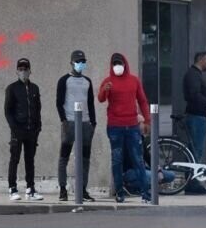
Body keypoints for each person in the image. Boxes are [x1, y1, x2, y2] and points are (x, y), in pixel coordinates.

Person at [98, 53, 151, 203]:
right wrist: (105, 90)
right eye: (114, 64)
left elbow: (142, 100)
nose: (117, 67)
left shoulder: (134, 80)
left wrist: (147, 120)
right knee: (117, 160)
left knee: (138, 159)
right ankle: (119, 192)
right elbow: (101, 99)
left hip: (132, 126)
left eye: (119, 63)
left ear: (125, 64)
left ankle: (145, 193)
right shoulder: (108, 81)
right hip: (115, 126)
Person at [56, 50, 97, 202]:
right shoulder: (64, 80)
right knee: (64, 157)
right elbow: (58, 102)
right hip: (70, 122)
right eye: (78, 61)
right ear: (72, 62)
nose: (80, 64)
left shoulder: (87, 81)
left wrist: (93, 122)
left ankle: (83, 189)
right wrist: (64, 120)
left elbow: (91, 103)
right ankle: (62, 189)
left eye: (83, 61)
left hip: (86, 123)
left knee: (85, 158)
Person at [4, 58, 43, 201]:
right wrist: (14, 128)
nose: (23, 71)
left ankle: (30, 189)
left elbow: (38, 108)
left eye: (25, 69)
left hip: (31, 130)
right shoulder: (12, 88)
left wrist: (38, 127)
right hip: (17, 130)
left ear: (30, 71)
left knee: (30, 160)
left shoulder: (34, 88)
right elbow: (8, 111)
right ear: (16, 71)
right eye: (20, 69)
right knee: (14, 159)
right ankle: (12, 188)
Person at [182, 51, 206, 195]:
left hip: (200, 116)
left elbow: (199, 94)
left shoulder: (196, 75)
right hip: (197, 116)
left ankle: (193, 181)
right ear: (201, 60)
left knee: (197, 150)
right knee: (196, 150)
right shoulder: (193, 75)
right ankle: (192, 183)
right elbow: (194, 95)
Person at [122, 116, 175, 196]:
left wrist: (158, 170)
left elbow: (148, 157)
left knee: (170, 175)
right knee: (151, 176)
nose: (144, 126)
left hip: (142, 169)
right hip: (130, 171)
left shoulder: (141, 138)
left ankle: (144, 185)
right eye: (142, 124)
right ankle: (132, 187)